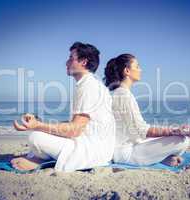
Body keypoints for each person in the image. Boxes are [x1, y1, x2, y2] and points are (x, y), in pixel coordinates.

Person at [11, 42, 115, 172]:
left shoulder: (88, 87)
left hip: (93, 152)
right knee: (40, 134)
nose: (67, 62)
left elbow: (74, 130)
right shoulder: (91, 84)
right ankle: (40, 157)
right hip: (99, 148)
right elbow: (76, 125)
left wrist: (37, 126)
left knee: (35, 137)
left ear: (83, 62)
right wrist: (39, 123)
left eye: (71, 58)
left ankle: (40, 160)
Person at [104, 54, 190, 166]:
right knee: (182, 140)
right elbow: (142, 130)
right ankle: (161, 159)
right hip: (125, 153)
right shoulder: (124, 95)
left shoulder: (116, 93)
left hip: (124, 147)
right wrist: (176, 130)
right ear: (127, 71)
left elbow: (136, 131)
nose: (140, 69)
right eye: (137, 66)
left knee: (173, 137)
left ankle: (164, 159)